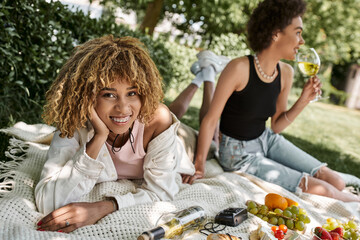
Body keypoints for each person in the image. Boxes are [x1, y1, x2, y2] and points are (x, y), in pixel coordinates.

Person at [183, 0, 360, 202]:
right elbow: (210, 120)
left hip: (267, 139)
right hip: (238, 154)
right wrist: (199, 166)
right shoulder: (238, 68)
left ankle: (345, 184)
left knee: (336, 182)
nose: (301, 41)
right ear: (276, 33)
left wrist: (303, 100)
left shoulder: (286, 72)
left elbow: (276, 125)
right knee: (325, 191)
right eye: (298, 32)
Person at [35, 35, 196, 233]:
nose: (122, 107)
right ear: (87, 96)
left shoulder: (158, 120)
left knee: (174, 116)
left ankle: (201, 77)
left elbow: (162, 192)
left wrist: (104, 207)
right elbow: (47, 201)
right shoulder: (74, 122)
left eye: (132, 93)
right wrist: (99, 137)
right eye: (109, 95)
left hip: (183, 145)